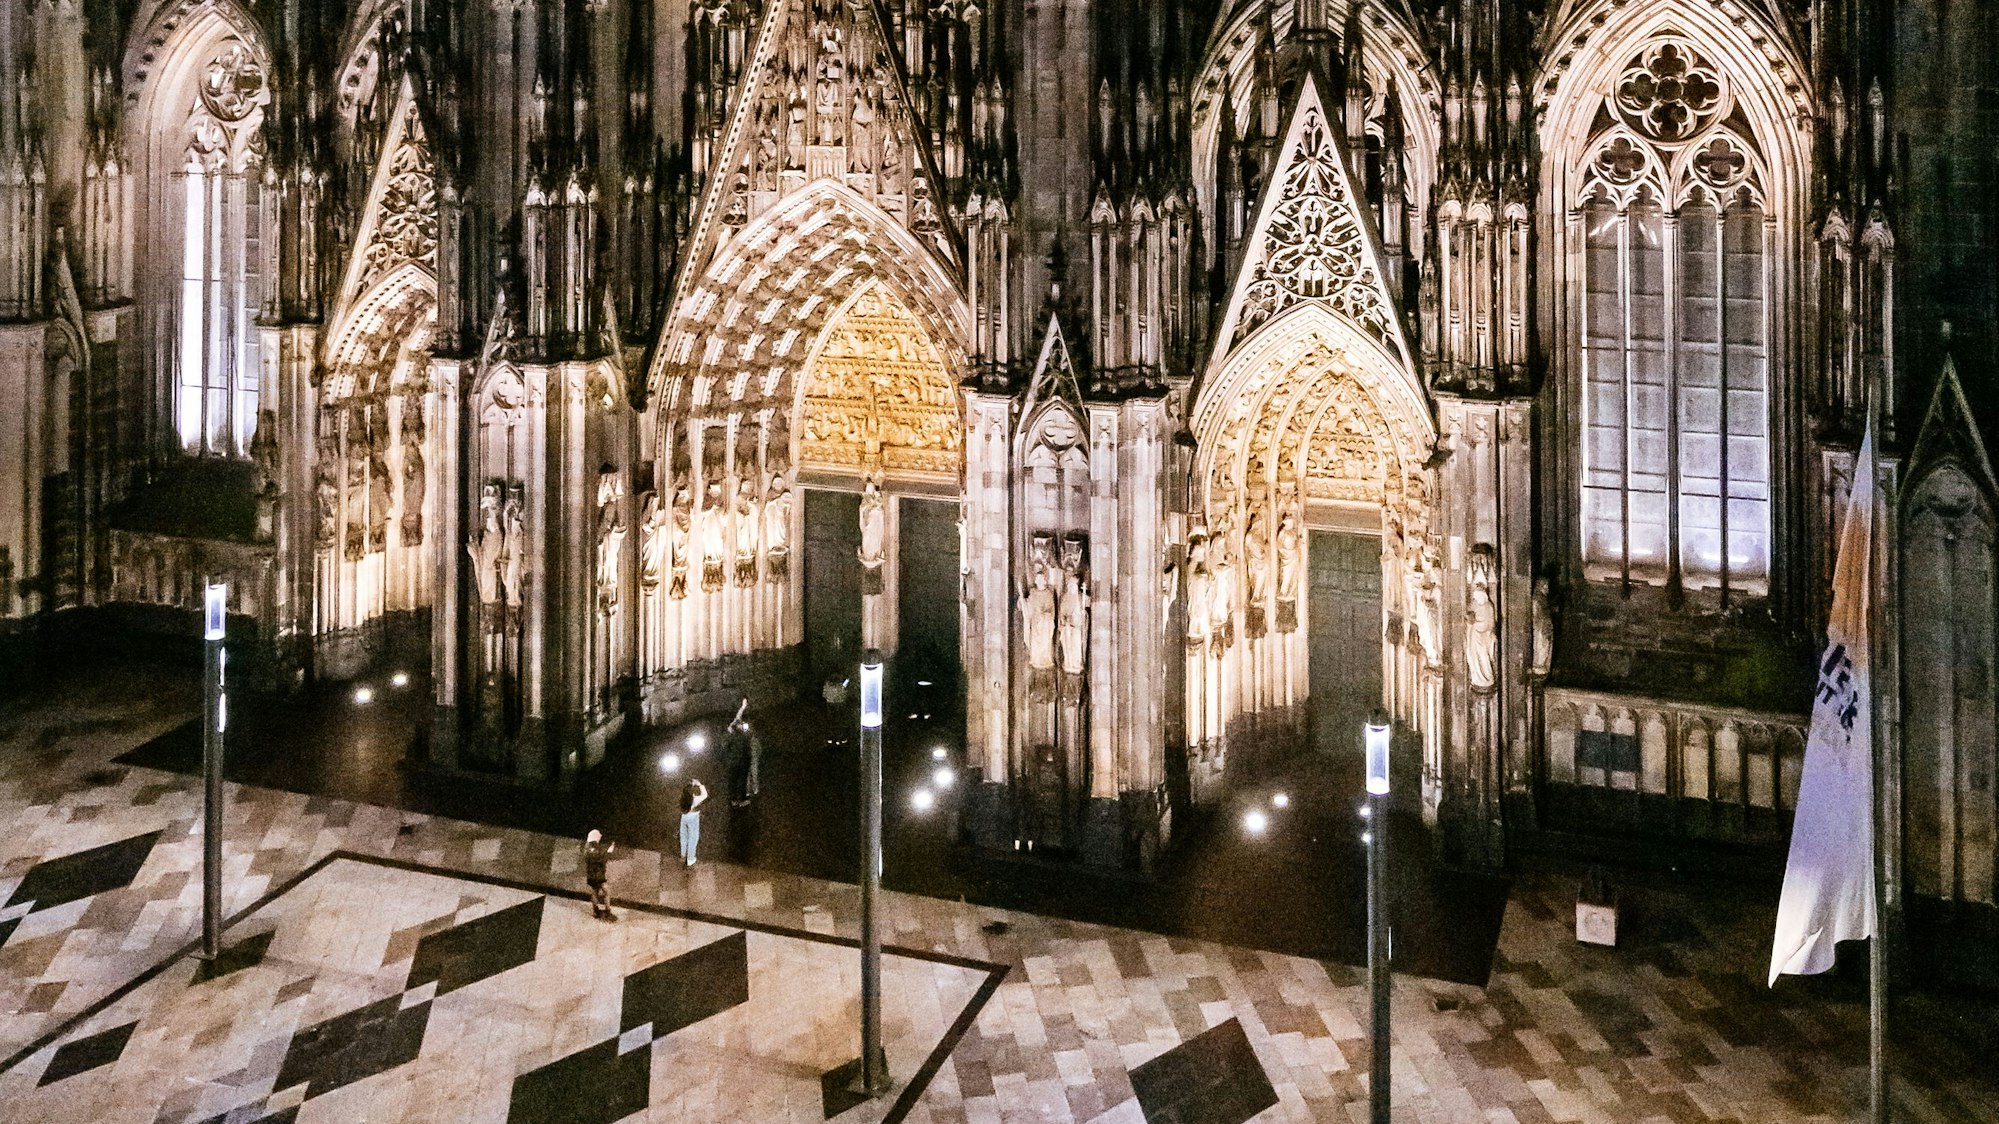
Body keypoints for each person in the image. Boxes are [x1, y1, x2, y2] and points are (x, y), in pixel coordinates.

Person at [582, 829, 616, 920]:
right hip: (598, 875)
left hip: (591, 876)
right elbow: (602, 860)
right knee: (607, 892)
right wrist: (609, 852)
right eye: (599, 835)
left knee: (595, 892)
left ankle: (596, 911)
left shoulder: (587, 849)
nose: (600, 837)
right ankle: (608, 912)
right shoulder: (596, 849)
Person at [679, 779, 708, 866]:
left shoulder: (683, 799)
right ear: (692, 794)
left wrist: (691, 784)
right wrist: (700, 785)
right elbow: (705, 795)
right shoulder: (695, 800)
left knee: (683, 836)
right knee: (693, 838)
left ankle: (683, 854)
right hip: (693, 817)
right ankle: (690, 859)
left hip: (684, 816)